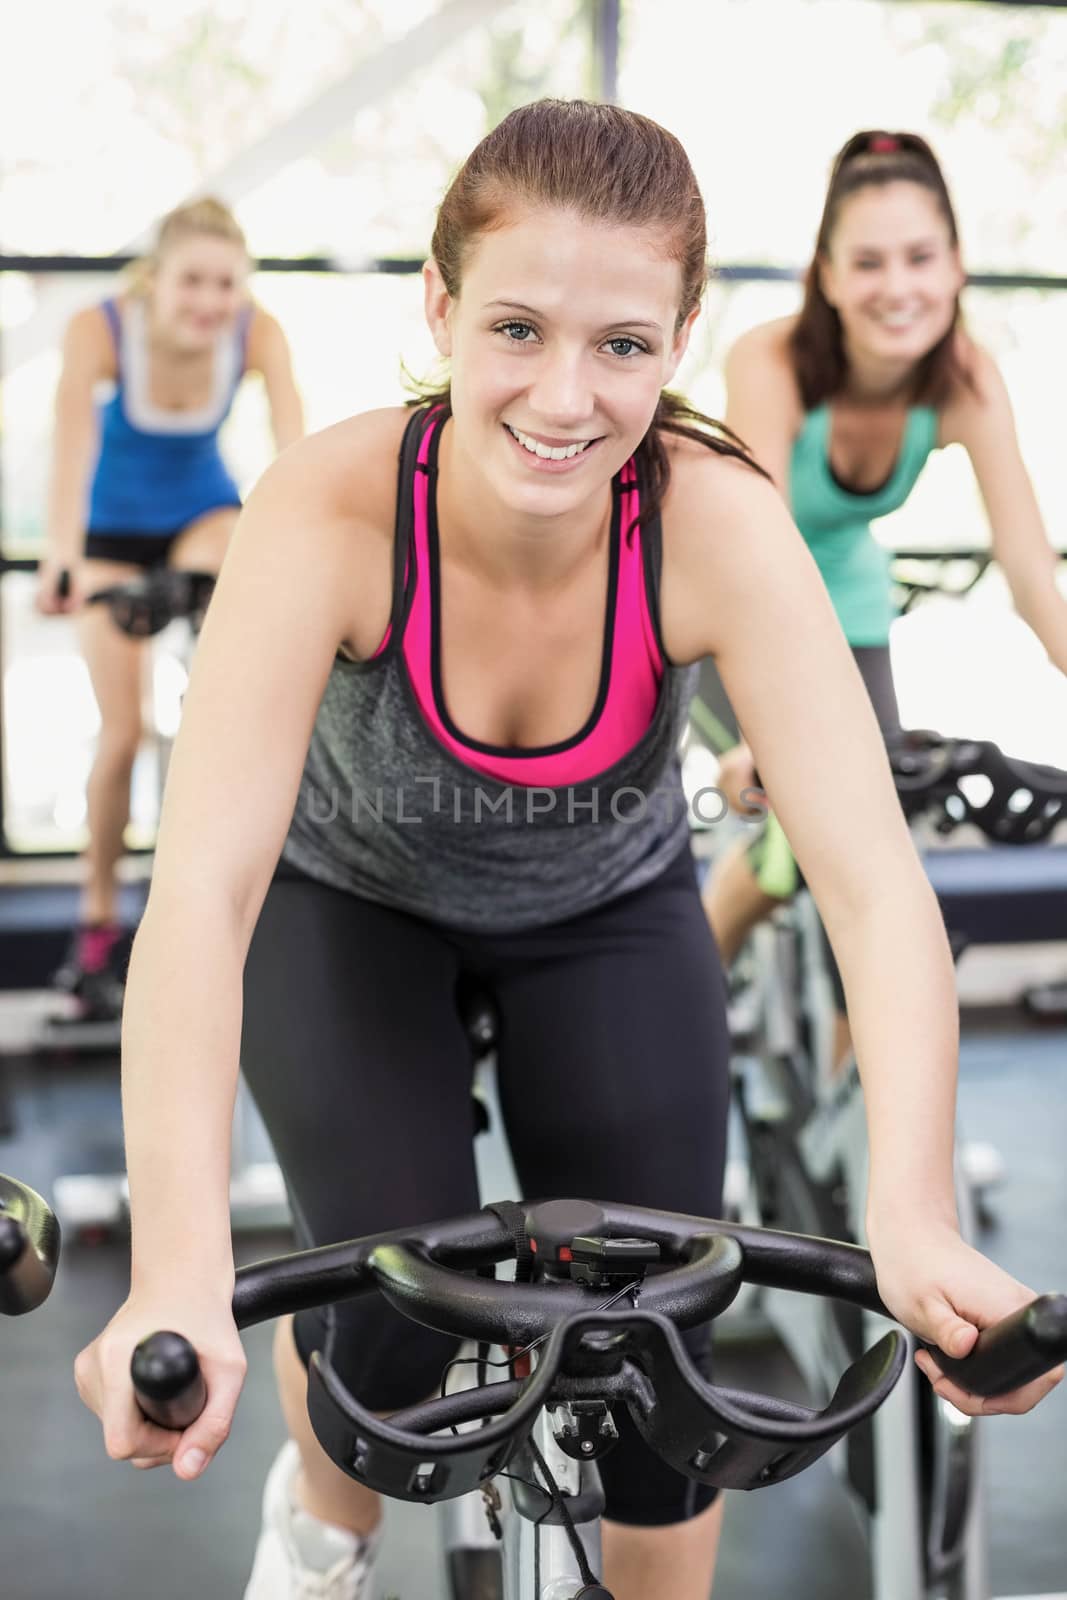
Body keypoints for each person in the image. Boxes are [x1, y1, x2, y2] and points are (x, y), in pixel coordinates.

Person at [73, 103, 1061, 1600]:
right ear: (440, 306)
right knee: (391, 1328)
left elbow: (866, 884)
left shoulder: (713, 522)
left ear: (676, 341)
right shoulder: (330, 512)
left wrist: (909, 1211)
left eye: (619, 345)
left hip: (606, 914)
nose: (562, 395)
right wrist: (177, 1263)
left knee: (665, 1370)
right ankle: (319, 1533)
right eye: (518, 328)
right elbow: (203, 899)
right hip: (348, 912)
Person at [702, 130, 1067, 1067]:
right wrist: (760, 732)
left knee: (873, 865)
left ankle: (848, 1111)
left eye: (919, 257)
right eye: (867, 261)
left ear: (955, 267)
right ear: (824, 274)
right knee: (800, 841)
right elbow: (761, 551)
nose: (896, 286)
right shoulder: (768, 360)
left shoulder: (964, 382)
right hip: (727, 598)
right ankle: (678, 1018)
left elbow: (1032, 576)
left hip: (849, 612)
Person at [36, 197, 304, 1020]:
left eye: (226, 283)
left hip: (204, 526)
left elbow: (294, 450)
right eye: (193, 281)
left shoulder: (257, 333)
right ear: (156, 279)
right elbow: (71, 443)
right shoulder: (101, 329)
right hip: (112, 535)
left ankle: (205, 914)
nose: (210, 301)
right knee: (121, 738)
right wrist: (61, 557)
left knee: (208, 722)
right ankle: (94, 937)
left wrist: (307, 553)